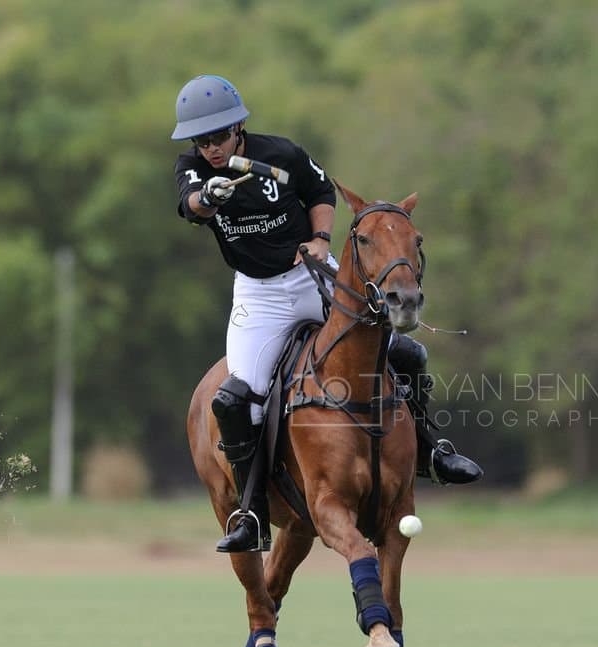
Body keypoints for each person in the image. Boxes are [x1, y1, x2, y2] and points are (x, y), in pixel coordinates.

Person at [171, 75, 482, 554]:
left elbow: (320, 191)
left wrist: (318, 239)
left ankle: (431, 451)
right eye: (202, 140)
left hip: (313, 273)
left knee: (406, 353)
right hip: (259, 296)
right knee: (235, 401)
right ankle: (252, 513)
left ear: (239, 128)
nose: (210, 147)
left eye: (219, 136)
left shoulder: (281, 154)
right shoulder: (193, 168)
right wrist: (208, 198)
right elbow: (189, 204)